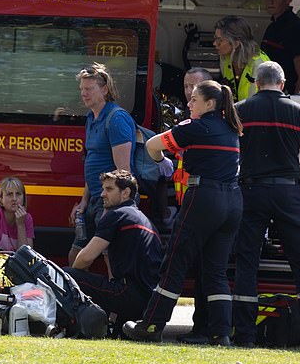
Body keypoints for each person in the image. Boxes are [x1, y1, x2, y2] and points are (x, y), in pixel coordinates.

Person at [122, 80, 243, 346]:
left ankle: (151, 324)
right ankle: (220, 332)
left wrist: (162, 163)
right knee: (216, 271)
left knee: (174, 263)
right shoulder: (231, 128)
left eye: (194, 100)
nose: (188, 104)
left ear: (209, 104)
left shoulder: (195, 127)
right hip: (233, 201)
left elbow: (153, 146)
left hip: (204, 198)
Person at [232, 61, 300, 351]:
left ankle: (245, 335)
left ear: (256, 82)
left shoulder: (240, 110)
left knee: (247, 260)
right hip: (288, 192)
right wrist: (293, 181)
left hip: (250, 191)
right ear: (283, 82)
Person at [63, 170, 163, 337]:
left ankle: (70, 327)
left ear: (125, 193)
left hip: (129, 294)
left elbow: (85, 259)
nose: (102, 194)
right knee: (117, 335)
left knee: (67, 274)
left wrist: (75, 280)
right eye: (103, 189)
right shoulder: (143, 218)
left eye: (109, 189)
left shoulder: (117, 215)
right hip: (149, 302)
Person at [68, 63, 137, 266]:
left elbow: (124, 173)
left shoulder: (116, 119)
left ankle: (116, 294)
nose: (84, 94)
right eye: (82, 89)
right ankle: (75, 296)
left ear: (105, 89)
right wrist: (84, 201)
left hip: (111, 201)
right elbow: (94, 163)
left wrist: (112, 208)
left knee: (111, 255)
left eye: (89, 89)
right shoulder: (91, 118)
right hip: (95, 199)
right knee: (77, 253)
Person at [173, 67, 213, 345]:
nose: (188, 94)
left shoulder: (205, 126)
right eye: (186, 87)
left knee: (202, 272)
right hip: (188, 206)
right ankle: (205, 327)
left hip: (201, 209)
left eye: (194, 89)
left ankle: (203, 328)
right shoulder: (194, 124)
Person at [261, 0, 300, 94]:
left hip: (285, 96)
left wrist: (295, 104)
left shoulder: (295, 28)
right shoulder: (272, 26)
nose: (271, 1)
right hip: (269, 94)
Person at [214, 15, 270, 102]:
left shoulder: (261, 65)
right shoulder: (225, 58)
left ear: (236, 43)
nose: (214, 43)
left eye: (219, 40)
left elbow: (266, 102)